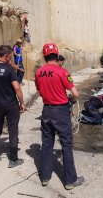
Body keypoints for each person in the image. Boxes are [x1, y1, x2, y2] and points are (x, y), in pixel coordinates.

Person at [35, 43, 84, 190]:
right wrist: (73, 103)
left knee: (47, 144)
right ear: (57, 56)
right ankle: (70, 180)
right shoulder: (62, 72)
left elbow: (40, 91)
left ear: (44, 57)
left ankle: (45, 177)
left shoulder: (38, 73)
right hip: (61, 111)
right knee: (66, 145)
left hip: (47, 110)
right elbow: (75, 94)